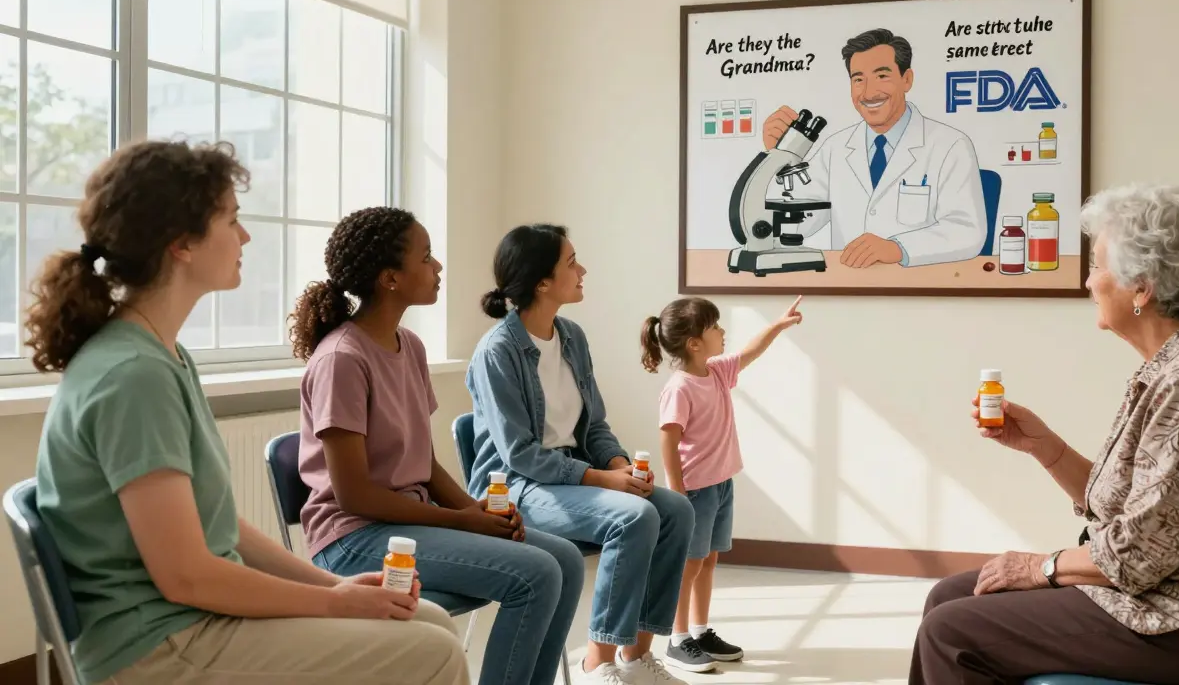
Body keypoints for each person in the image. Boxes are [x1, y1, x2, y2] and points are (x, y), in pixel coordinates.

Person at [29, 141, 467, 685]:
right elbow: (187, 577)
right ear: (182, 243)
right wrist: (335, 605)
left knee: (427, 623)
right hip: (159, 646)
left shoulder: (163, 354)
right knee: (433, 653)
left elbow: (218, 528)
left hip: (186, 620)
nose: (244, 236)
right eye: (231, 220)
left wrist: (334, 587)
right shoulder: (132, 375)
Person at [909, 184, 1179, 684]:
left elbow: (1141, 554)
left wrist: (1042, 566)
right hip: (1159, 596)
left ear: (1142, 288)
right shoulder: (1175, 365)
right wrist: (1047, 448)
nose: (1088, 281)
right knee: (950, 597)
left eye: (1098, 266)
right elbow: (1136, 508)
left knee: (951, 630)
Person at [290, 207, 584, 685]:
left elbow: (421, 460)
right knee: (536, 574)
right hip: (353, 540)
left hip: (407, 522)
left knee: (565, 560)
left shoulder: (410, 346)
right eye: (426, 257)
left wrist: (477, 512)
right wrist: (461, 520)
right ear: (389, 278)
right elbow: (354, 496)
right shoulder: (343, 360)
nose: (438, 266)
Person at [466, 223, 697, 685]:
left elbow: (594, 426)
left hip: (570, 476)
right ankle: (598, 661)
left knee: (674, 509)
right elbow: (520, 454)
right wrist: (601, 480)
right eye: (571, 262)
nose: (583, 269)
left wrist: (617, 465)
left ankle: (635, 658)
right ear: (542, 282)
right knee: (633, 518)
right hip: (515, 488)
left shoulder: (571, 336)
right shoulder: (498, 351)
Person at [639, 295, 803, 672]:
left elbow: (750, 352)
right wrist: (677, 492)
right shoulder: (679, 387)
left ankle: (699, 631)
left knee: (708, 561)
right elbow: (668, 439)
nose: (722, 331)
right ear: (694, 342)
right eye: (714, 327)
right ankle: (677, 640)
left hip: (721, 484)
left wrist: (777, 326)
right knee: (690, 565)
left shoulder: (715, 371)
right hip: (695, 489)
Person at [760, 28, 986, 269]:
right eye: (858, 79)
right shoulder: (836, 148)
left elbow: (966, 231)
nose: (868, 92)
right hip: (851, 289)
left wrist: (898, 248)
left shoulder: (950, 144)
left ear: (906, 79)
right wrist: (776, 158)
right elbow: (792, 225)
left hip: (922, 290)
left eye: (882, 76)